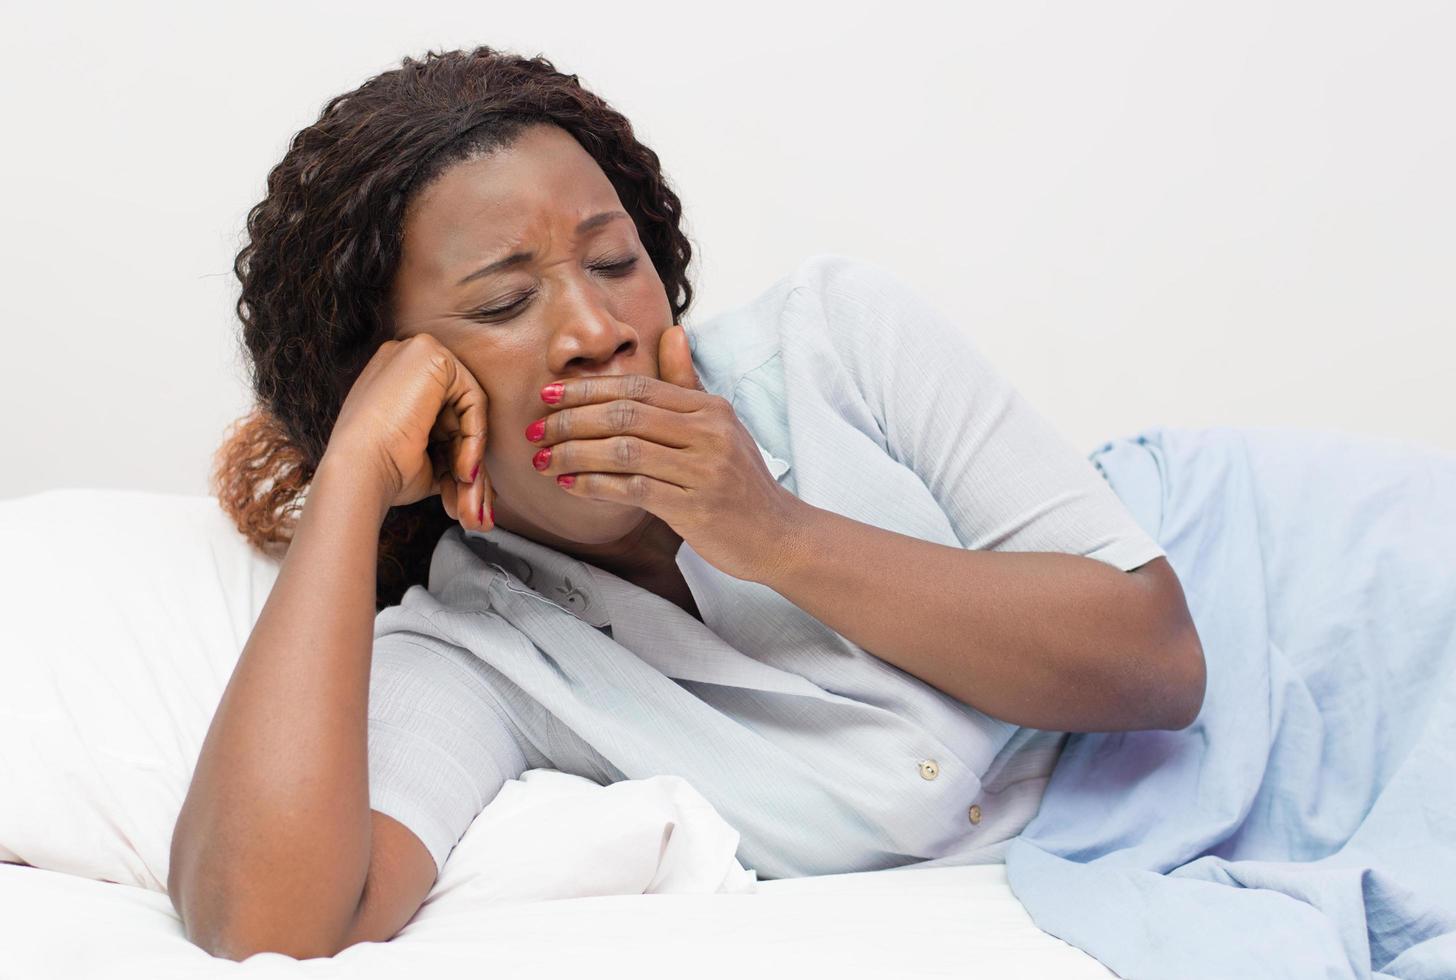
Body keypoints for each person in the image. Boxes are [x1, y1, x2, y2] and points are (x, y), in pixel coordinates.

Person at [167, 45, 1205, 962]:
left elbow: (1157, 661)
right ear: (410, 387)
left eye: (616, 262)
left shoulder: (836, 341)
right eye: (504, 301)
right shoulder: (477, 650)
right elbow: (267, 922)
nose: (595, 325)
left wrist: (774, 534)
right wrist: (353, 476)